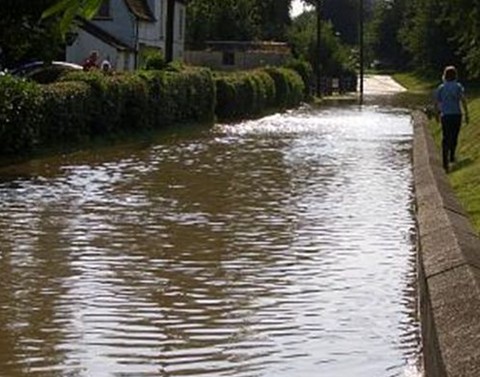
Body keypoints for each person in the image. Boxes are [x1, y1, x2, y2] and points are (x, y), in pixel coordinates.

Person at [435, 65, 469, 172]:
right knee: (454, 136)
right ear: (455, 75)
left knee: (445, 137)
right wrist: (466, 113)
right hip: (456, 114)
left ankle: (445, 162)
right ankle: (452, 156)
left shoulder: (441, 88)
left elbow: (437, 103)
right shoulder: (458, 86)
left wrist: (437, 114)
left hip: (445, 115)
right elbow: (463, 100)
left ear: (445, 75)